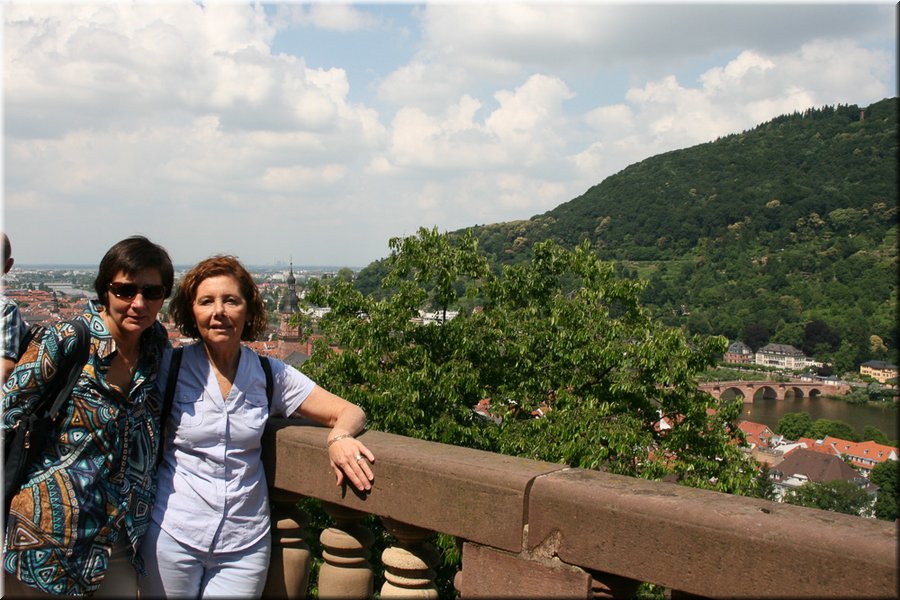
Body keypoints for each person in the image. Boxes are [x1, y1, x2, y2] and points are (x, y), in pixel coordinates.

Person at [139, 255, 374, 600]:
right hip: (173, 534)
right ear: (193, 312)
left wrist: (339, 436)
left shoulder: (270, 374)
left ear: (248, 310)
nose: (219, 311)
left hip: (243, 543)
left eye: (231, 300)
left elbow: (350, 411)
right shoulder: (168, 368)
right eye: (207, 301)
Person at [2, 235, 174, 598]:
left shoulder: (157, 346)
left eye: (152, 292)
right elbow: (7, 410)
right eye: (125, 290)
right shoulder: (67, 339)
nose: (138, 303)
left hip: (119, 538)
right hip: (47, 536)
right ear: (105, 290)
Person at [1, 232, 30, 381]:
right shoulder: (5, 309)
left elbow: (4, 369)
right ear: (8, 265)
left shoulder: (5, 309)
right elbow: (5, 370)